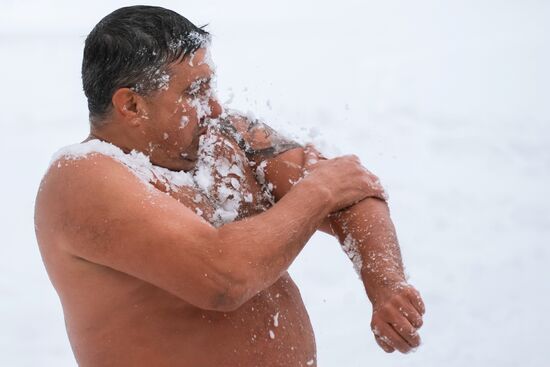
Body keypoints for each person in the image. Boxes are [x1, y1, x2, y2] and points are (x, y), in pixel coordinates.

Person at [34, 5, 425, 367]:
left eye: (210, 86)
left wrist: (385, 284)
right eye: (194, 92)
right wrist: (317, 193)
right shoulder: (82, 177)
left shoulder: (225, 139)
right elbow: (222, 278)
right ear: (132, 106)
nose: (216, 108)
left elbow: (353, 188)